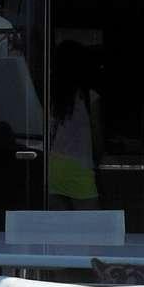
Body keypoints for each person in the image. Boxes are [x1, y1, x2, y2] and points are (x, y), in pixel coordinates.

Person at [48, 41, 102, 209]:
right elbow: (96, 135)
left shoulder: (51, 98)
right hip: (80, 167)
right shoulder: (90, 98)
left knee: (59, 229)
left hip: (53, 167)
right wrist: (98, 159)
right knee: (90, 228)